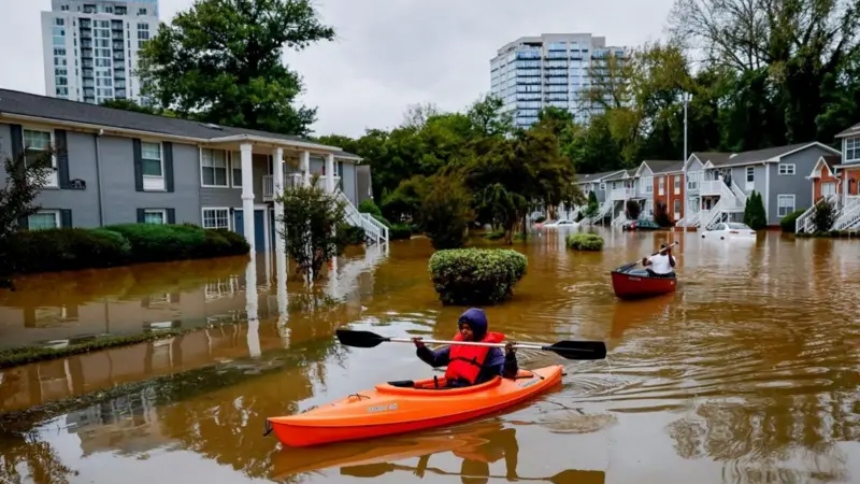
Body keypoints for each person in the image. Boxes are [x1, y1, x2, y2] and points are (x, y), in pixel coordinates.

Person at [413, 308, 518, 387]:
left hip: (472, 391)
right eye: (462, 328)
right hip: (452, 387)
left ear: (478, 329)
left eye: (468, 328)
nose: (463, 331)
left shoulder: (490, 349)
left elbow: (507, 373)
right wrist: (422, 348)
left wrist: (510, 357)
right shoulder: (458, 345)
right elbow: (435, 360)